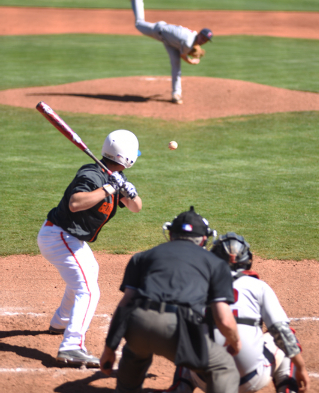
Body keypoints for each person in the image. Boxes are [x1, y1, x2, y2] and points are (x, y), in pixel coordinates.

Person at [100, 206, 241, 393]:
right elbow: (223, 319)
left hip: (138, 322)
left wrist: (109, 349)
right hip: (176, 328)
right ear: (204, 239)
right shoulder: (215, 263)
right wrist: (236, 342)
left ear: (171, 234)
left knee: (135, 352)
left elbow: (125, 305)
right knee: (223, 367)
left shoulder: (143, 257)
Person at [37, 129, 142, 368]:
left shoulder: (115, 177)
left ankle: (61, 321)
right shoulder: (93, 175)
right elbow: (75, 204)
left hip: (67, 237)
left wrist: (129, 192)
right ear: (128, 157)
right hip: (59, 236)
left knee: (89, 272)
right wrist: (109, 189)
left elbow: (136, 208)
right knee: (89, 290)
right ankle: (72, 346)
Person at [166, 232, 309, 393]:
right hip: (250, 378)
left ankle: (180, 388)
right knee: (284, 337)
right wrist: (301, 367)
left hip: (206, 380)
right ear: (247, 260)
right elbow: (281, 331)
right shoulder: (258, 286)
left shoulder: (197, 285)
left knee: (191, 339)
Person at [127, 0, 213, 105]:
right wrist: (192, 62)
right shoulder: (188, 42)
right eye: (203, 38)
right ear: (200, 34)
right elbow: (183, 55)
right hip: (158, 31)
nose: (203, 41)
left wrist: (191, 50)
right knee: (139, 24)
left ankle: (176, 94)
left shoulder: (193, 36)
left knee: (176, 65)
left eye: (206, 40)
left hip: (171, 43)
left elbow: (186, 48)